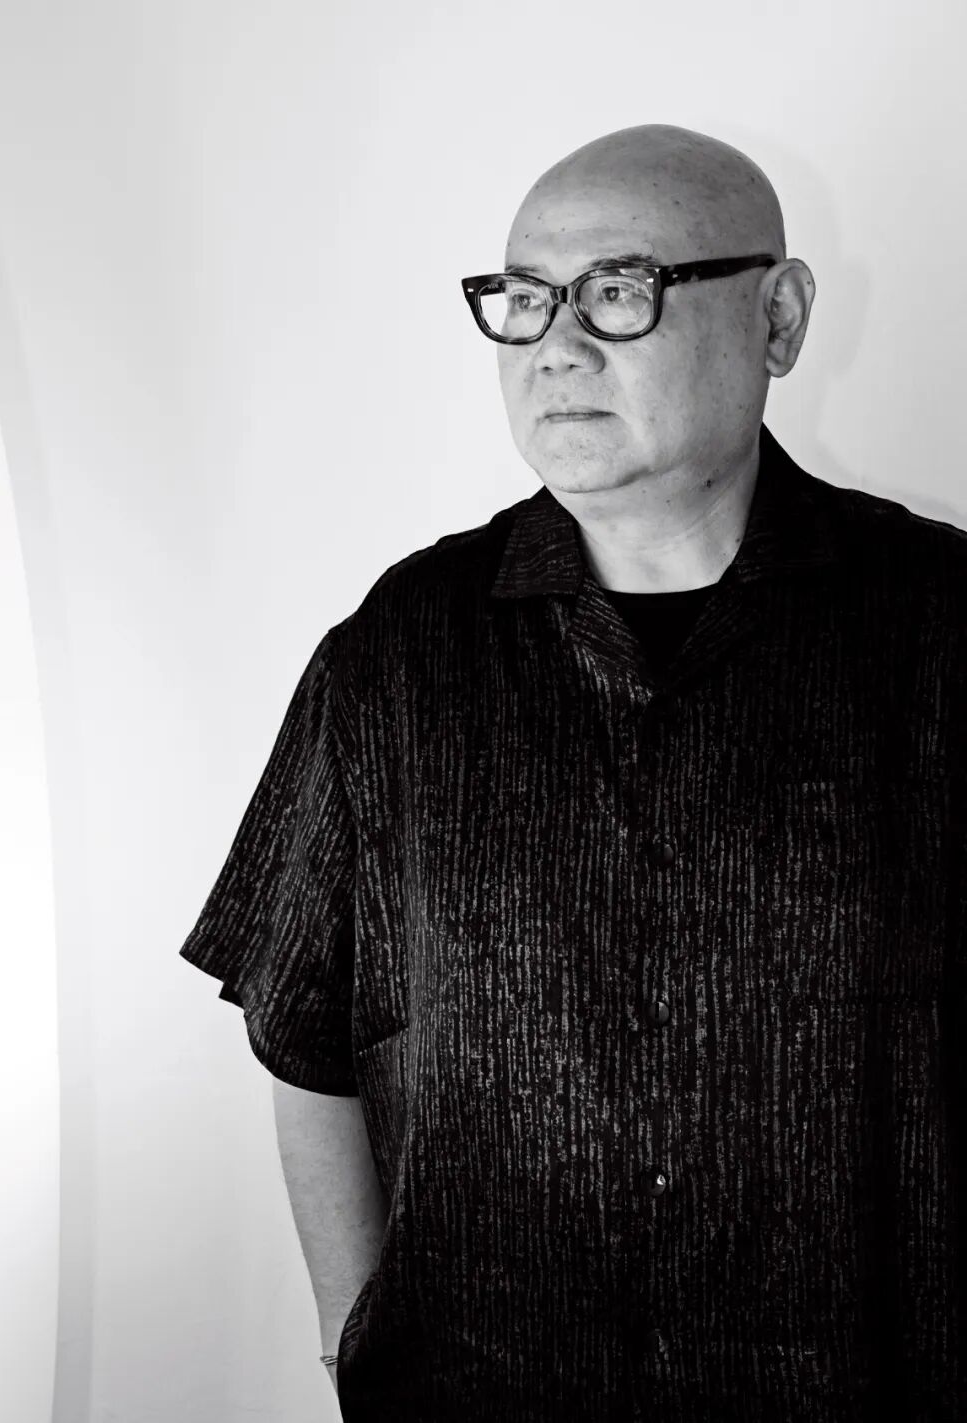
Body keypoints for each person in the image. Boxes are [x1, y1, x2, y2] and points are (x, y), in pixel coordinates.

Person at [179, 123, 967, 1420]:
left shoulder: (943, 632)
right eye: (524, 298)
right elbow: (305, 1035)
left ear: (778, 317)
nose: (555, 346)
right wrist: (349, 1346)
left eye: (617, 289)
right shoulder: (399, 652)